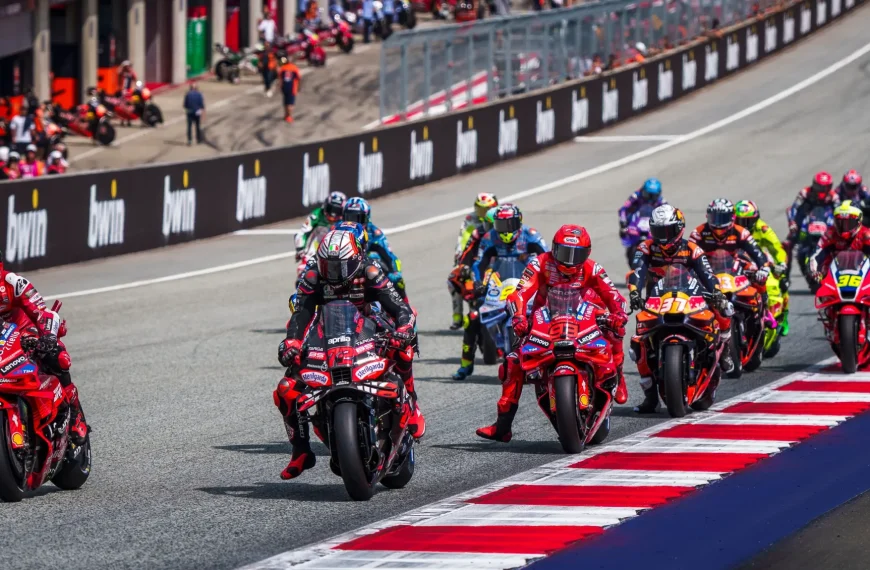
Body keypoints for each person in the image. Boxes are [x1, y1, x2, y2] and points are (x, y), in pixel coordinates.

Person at [275, 229, 424, 479]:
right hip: (327, 333)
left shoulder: (370, 271)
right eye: (328, 266)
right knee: (286, 388)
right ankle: (300, 451)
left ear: (354, 260)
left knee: (404, 349)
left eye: (340, 266)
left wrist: (404, 328)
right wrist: (291, 342)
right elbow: (300, 315)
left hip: (368, 325)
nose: (333, 273)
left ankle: (413, 403)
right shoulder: (312, 276)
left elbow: (400, 308)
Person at [476, 225, 627, 441]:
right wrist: (518, 316)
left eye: (577, 254)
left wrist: (618, 314)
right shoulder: (540, 263)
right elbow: (520, 293)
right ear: (555, 249)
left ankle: (618, 378)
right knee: (512, 363)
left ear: (587, 253)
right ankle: (503, 427)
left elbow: (613, 294)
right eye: (565, 253)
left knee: (615, 332)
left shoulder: (593, 268)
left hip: (584, 318)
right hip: (545, 321)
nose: (570, 260)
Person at [628, 204, 734, 413]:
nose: (663, 237)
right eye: (658, 231)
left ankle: (725, 347)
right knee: (637, 344)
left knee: (722, 308)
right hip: (656, 301)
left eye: (667, 231)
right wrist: (633, 292)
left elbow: (707, 275)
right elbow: (637, 273)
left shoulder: (693, 250)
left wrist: (717, 294)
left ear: (679, 229)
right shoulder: (645, 248)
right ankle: (650, 397)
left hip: (690, 296)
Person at [457, 205, 547, 382]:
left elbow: (547, 258)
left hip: (527, 286)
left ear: (519, 221)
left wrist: (547, 282)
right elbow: (479, 263)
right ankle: (465, 366)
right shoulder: (490, 238)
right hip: (499, 285)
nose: (505, 230)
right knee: (472, 317)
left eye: (510, 224)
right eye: (501, 225)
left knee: (551, 313)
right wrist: (477, 282)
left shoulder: (531, 235)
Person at [0, 264, 87, 445]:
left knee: (55, 355)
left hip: (25, 335)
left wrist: (47, 337)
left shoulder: (13, 283)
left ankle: (74, 412)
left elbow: (44, 313)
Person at [688, 198, 774, 328]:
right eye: (715, 218)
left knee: (758, 274)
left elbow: (757, 253)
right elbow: (689, 255)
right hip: (708, 266)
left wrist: (764, 268)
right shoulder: (698, 233)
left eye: (723, 218)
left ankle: (765, 310)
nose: (718, 223)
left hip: (735, 262)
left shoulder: (741, 232)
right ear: (708, 216)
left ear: (732, 217)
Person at [735, 200, 791, 335]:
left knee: (782, 281)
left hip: (760, 262)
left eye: (747, 222)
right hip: (736, 263)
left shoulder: (763, 229)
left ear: (755, 219)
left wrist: (781, 264)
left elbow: (777, 248)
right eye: (740, 221)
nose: (743, 226)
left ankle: (783, 316)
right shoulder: (730, 230)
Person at [341, 197, 408, 299]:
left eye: (357, 218)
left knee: (397, 280)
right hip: (340, 268)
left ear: (367, 218)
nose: (353, 223)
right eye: (349, 217)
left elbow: (390, 256)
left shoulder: (374, 233)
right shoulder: (336, 230)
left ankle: (406, 308)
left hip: (364, 267)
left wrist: (395, 273)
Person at [449, 193, 499, 329]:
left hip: (500, 264)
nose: (482, 213)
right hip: (480, 260)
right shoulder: (471, 222)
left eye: (486, 209)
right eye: (480, 209)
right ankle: (459, 316)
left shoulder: (503, 223)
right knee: (454, 279)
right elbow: (463, 241)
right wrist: (461, 262)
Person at [785, 171, 839, 272]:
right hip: (806, 222)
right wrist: (792, 222)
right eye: (818, 187)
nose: (821, 190)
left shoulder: (834, 197)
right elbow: (793, 208)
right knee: (787, 244)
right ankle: (785, 277)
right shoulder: (805, 192)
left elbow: (838, 211)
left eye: (824, 187)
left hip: (826, 223)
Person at [809, 201, 870, 280]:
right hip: (834, 277)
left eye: (849, 223)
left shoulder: (866, 235)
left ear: (859, 221)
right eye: (840, 223)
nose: (844, 228)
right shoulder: (830, 234)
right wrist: (814, 271)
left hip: (863, 277)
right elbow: (815, 256)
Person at [295, 191, 347, 260]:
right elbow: (303, 232)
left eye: (337, 211)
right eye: (330, 209)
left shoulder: (346, 219)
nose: (333, 215)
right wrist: (300, 249)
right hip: (317, 246)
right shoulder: (317, 214)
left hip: (338, 249)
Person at [277, 56, 301, 124]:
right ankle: (289, 116)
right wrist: (299, 87)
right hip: (292, 87)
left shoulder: (283, 68)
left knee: (286, 102)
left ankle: (286, 115)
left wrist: (280, 86)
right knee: (290, 103)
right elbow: (298, 78)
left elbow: (280, 79)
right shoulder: (294, 68)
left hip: (285, 87)